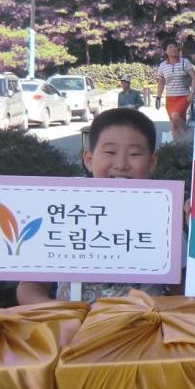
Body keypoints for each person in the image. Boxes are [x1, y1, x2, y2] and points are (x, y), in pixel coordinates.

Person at [17, 108, 164, 305]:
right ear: (89, 159)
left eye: (134, 154)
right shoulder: (65, 209)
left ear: (152, 161)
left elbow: (183, 290)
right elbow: (29, 286)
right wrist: (58, 313)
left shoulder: (165, 214)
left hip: (140, 331)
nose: (121, 164)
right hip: (70, 332)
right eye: (110, 152)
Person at [155, 40, 195, 140]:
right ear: (166, 51)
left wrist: (192, 93)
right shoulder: (163, 66)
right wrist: (158, 97)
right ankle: (179, 148)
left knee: (175, 116)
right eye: (170, 47)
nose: (174, 49)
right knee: (173, 125)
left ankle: (189, 133)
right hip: (170, 98)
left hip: (183, 96)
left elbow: (194, 78)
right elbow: (161, 83)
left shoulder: (185, 62)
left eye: (175, 46)